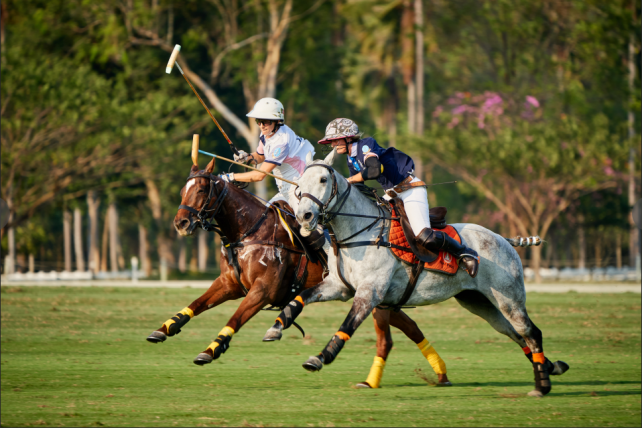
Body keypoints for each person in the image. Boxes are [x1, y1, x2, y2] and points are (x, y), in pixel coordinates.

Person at [317, 118, 479, 277]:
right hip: (391, 195)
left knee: (424, 236)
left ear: (348, 137)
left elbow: (374, 171)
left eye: (335, 140)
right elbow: (358, 188)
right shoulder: (351, 159)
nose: (332, 145)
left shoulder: (365, 145)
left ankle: (465, 253)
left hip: (410, 190)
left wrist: (349, 180)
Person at [222, 97, 324, 250]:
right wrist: (247, 157)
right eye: (259, 121)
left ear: (278, 121)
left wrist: (230, 177)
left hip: (300, 189)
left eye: (266, 122)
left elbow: (259, 175)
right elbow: (260, 156)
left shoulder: (281, 142)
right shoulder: (267, 135)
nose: (262, 125)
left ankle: (330, 259)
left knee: (308, 229)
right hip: (285, 190)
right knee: (263, 222)